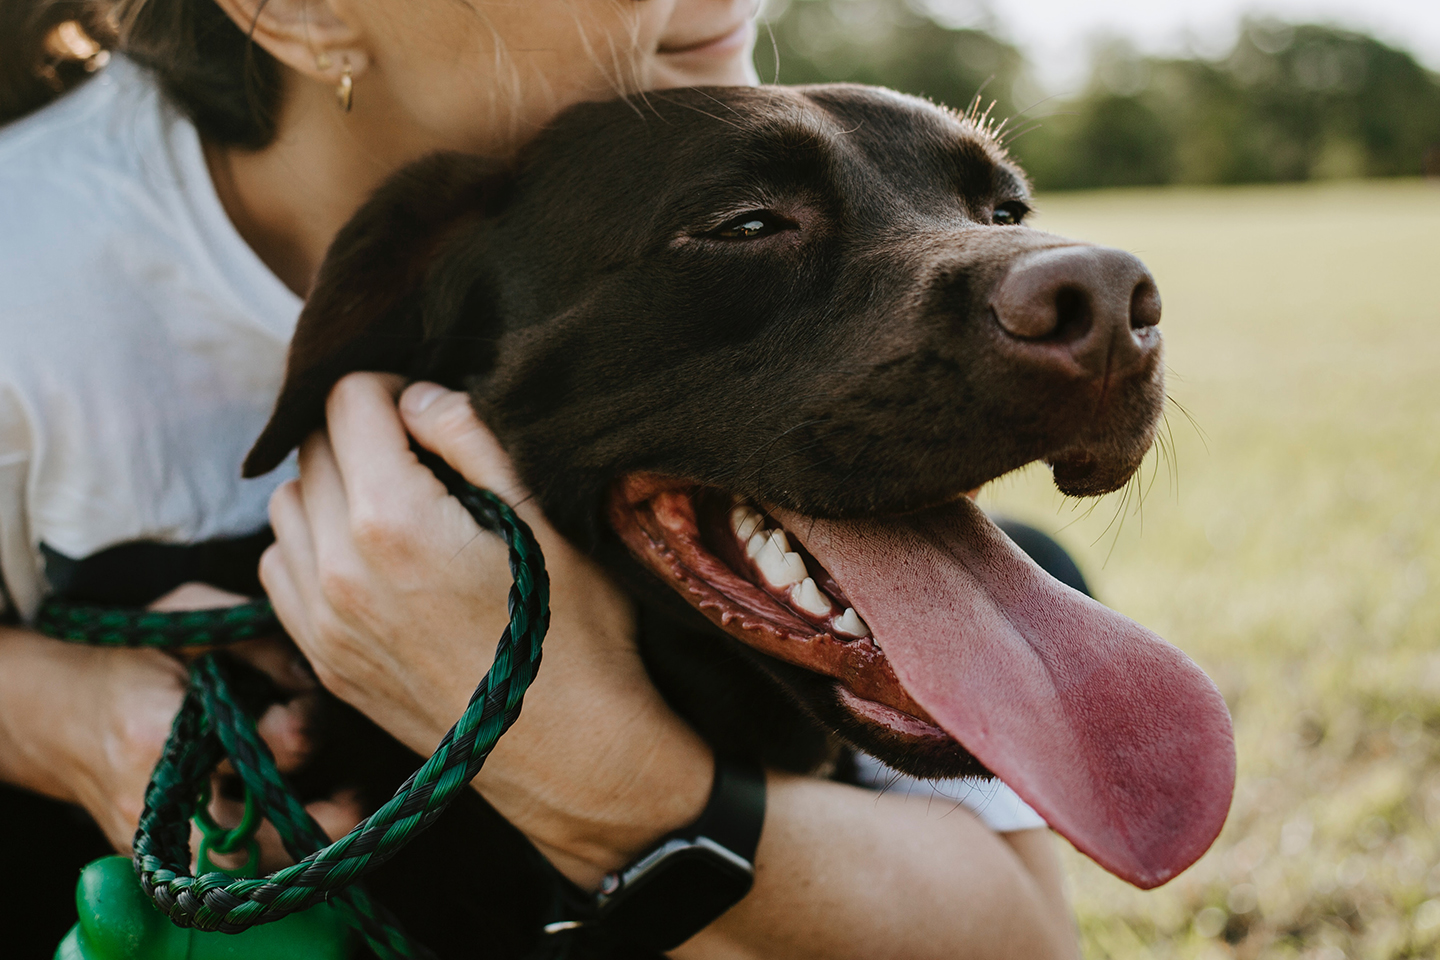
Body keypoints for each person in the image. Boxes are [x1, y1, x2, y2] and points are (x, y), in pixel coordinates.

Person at [0, 1, 1079, 956]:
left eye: (1004, 213)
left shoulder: (714, 162)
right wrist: (71, 716)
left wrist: (597, 765)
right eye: (748, 226)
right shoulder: (30, 265)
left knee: (1034, 566)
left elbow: (1019, 942)